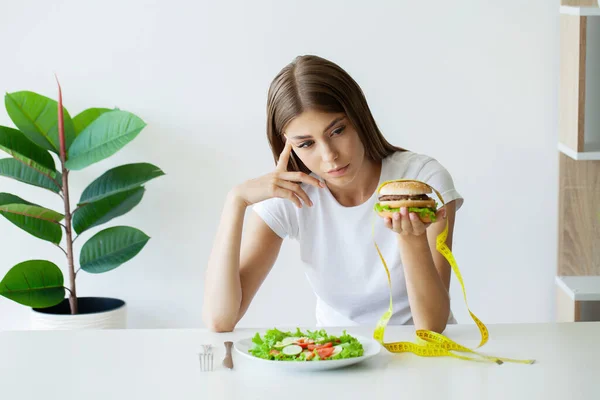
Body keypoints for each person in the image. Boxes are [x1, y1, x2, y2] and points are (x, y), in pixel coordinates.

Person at [202, 55, 464, 333]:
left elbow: (432, 326)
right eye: (306, 144)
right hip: (338, 357)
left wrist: (411, 240)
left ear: (359, 117)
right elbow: (220, 319)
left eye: (337, 130)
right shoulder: (291, 197)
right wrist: (236, 201)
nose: (330, 156)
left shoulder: (421, 181)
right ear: (286, 147)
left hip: (422, 357)